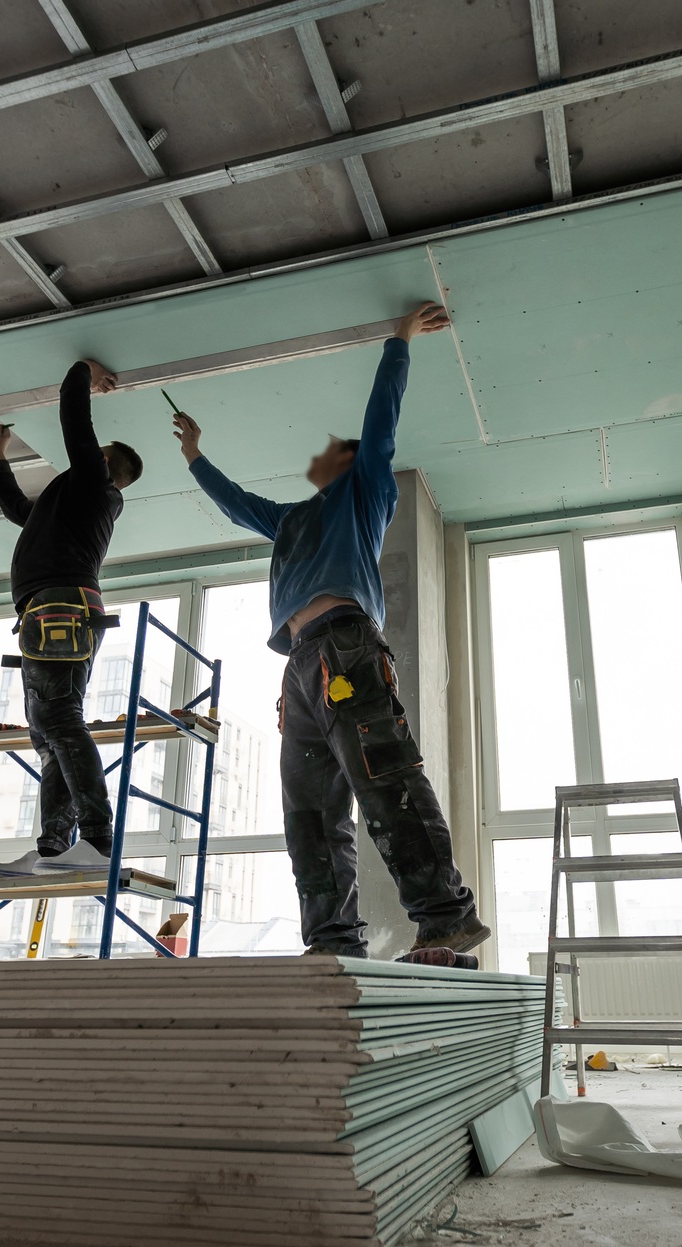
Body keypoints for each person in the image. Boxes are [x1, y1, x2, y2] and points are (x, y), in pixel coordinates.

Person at [174, 302, 489, 958]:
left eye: (332, 452)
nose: (322, 456)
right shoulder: (290, 519)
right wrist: (195, 455)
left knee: (383, 778)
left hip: (348, 648)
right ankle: (331, 939)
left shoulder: (364, 494)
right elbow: (237, 504)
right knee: (311, 813)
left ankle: (444, 913)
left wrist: (399, 341)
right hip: (300, 669)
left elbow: (380, 426)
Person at [0, 357, 144, 879]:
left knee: (60, 722)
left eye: (96, 453)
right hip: (46, 611)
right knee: (48, 734)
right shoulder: (67, 502)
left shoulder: (94, 485)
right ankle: (54, 849)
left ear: (102, 460)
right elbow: (16, 508)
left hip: (61, 608)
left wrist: (83, 371)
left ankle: (96, 841)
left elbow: (75, 417)